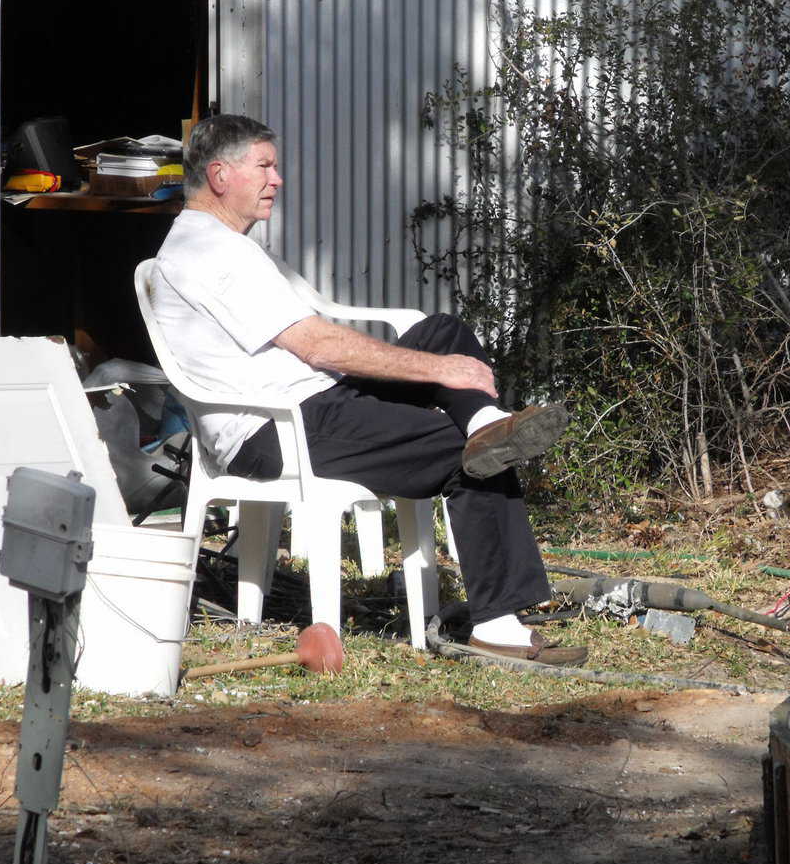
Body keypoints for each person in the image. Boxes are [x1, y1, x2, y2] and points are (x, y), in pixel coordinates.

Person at [150, 114, 585, 665]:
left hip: (313, 402)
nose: (277, 179)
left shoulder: (221, 243)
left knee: (442, 333)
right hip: (277, 428)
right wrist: (439, 372)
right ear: (219, 175)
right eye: (264, 166)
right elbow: (318, 346)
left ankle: (483, 423)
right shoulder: (209, 253)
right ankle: (497, 624)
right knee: (465, 453)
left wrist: (435, 361)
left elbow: (319, 349)